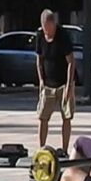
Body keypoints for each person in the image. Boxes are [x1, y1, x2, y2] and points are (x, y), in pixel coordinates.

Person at [35, 9, 75, 153]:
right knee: (43, 117)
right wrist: (40, 79)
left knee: (67, 117)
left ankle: (64, 149)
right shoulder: (40, 36)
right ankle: (41, 148)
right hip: (47, 84)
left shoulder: (63, 36)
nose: (48, 32)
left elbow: (71, 62)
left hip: (64, 83)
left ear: (54, 24)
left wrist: (69, 86)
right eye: (45, 29)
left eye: (49, 29)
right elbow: (39, 60)